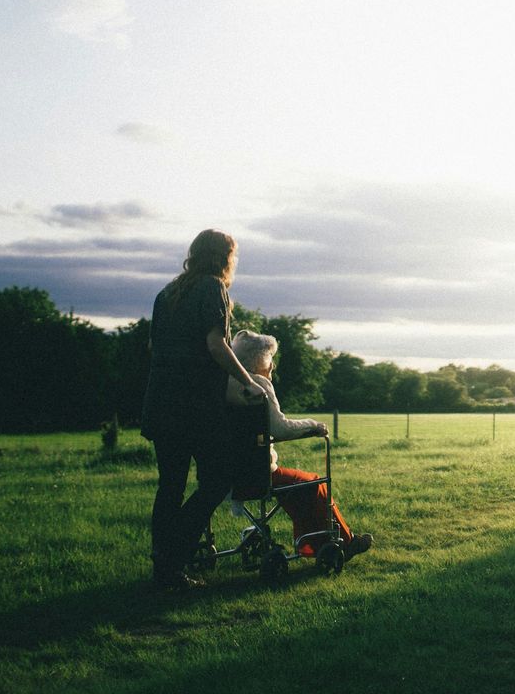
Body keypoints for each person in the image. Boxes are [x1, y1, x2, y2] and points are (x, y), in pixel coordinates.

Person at [141, 229, 266, 590]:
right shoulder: (213, 288)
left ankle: (164, 567)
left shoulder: (167, 294)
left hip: (161, 402)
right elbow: (216, 345)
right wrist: (248, 380)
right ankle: (174, 556)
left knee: (171, 487)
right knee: (217, 481)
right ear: (225, 257)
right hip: (194, 406)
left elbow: (155, 346)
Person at [226, 330, 373, 561]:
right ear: (260, 361)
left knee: (297, 487)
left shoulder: (225, 384)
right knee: (313, 483)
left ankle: (311, 546)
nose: (273, 366)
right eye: (270, 360)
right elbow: (281, 428)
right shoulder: (258, 384)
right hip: (257, 474)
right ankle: (344, 541)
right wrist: (314, 425)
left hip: (227, 473)